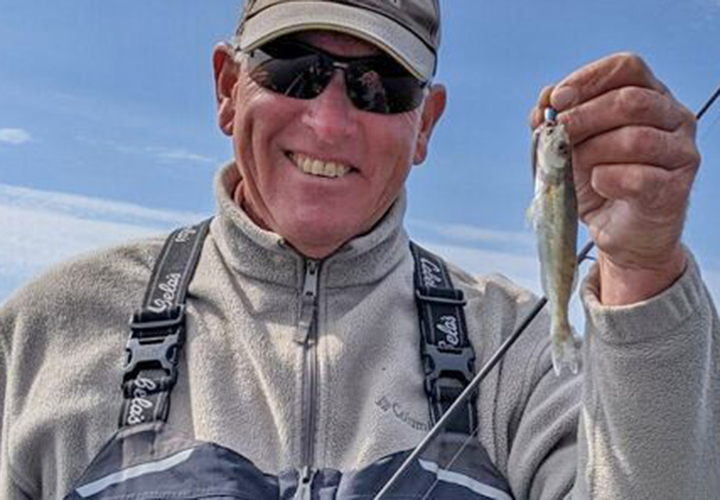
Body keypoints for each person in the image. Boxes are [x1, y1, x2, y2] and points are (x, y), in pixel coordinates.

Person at [1, 0, 718, 498]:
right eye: (292, 70)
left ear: (426, 125)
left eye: (382, 86)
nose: (331, 120)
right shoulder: (48, 328)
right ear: (227, 88)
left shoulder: (518, 354)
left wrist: (643, 272)